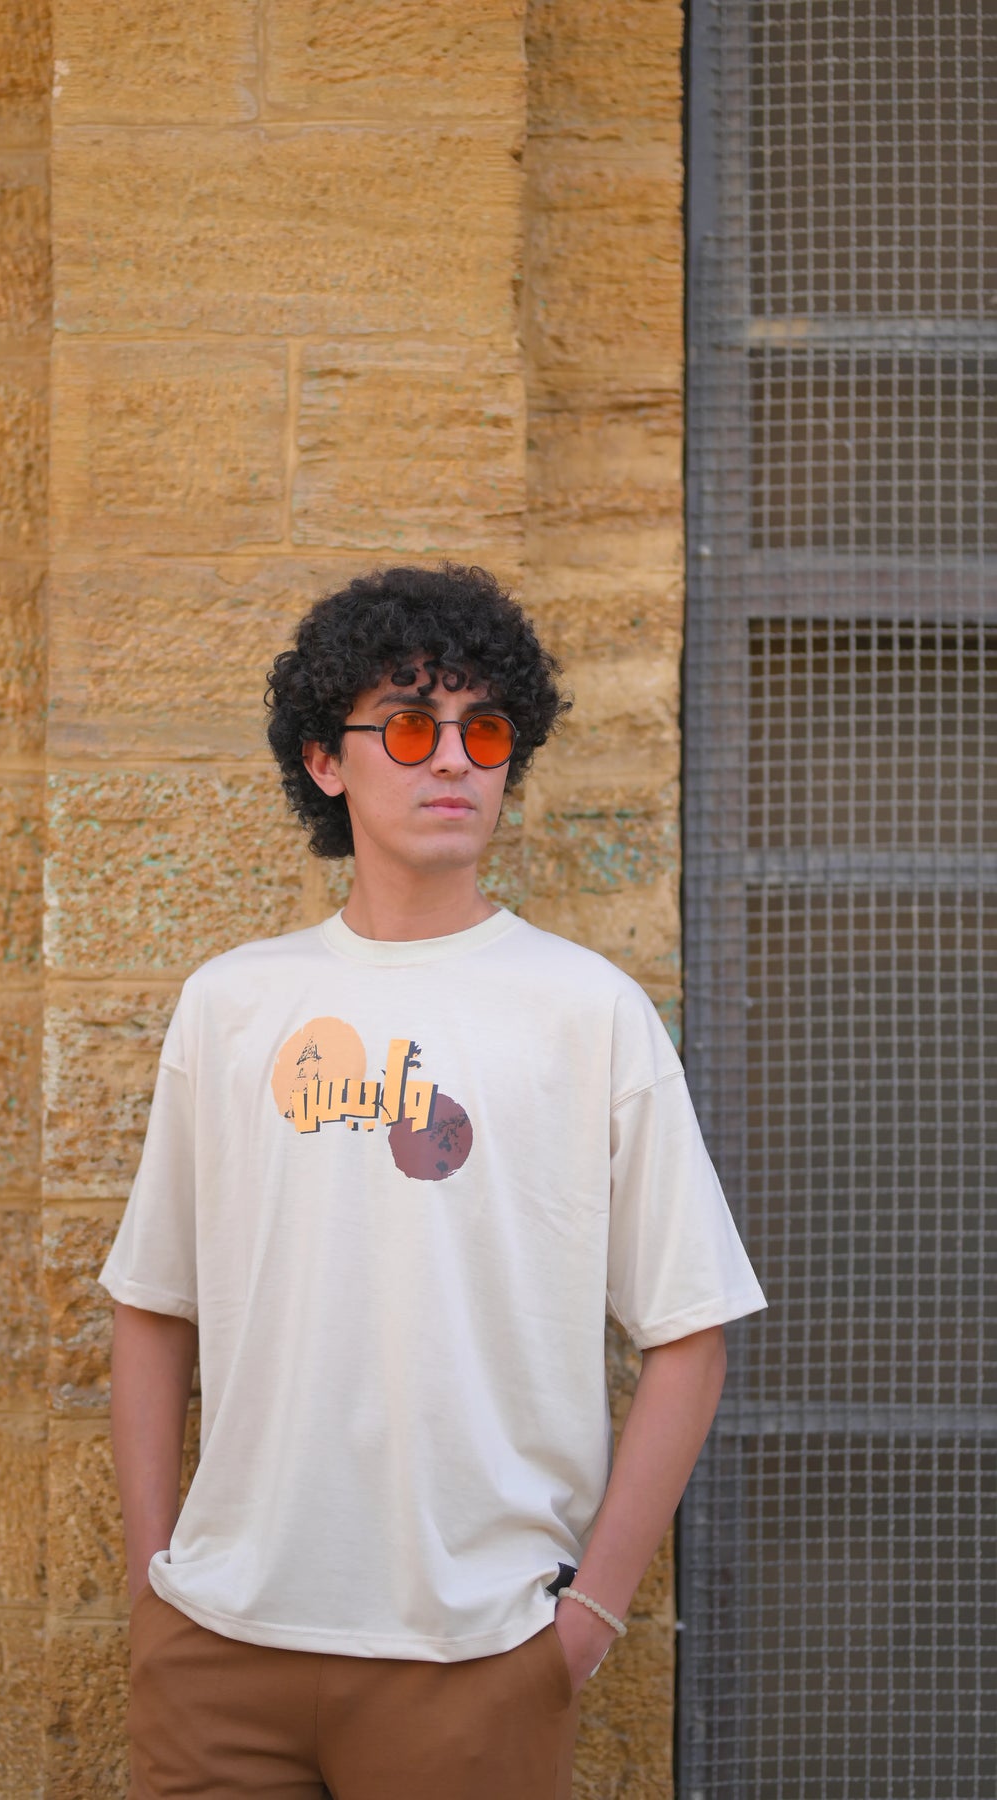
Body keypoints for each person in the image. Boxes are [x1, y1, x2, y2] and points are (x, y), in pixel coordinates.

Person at [101, 563, 766, 1800]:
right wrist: (153, 1589)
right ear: (325, 761)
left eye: (485, 729)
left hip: (476, 1661)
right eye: (409, 726)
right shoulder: (231, 1004)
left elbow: (689, 1333)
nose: (453, 758)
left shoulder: (587, 1012)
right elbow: (152, 1304)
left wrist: (585, 1625)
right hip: (219, 1651)